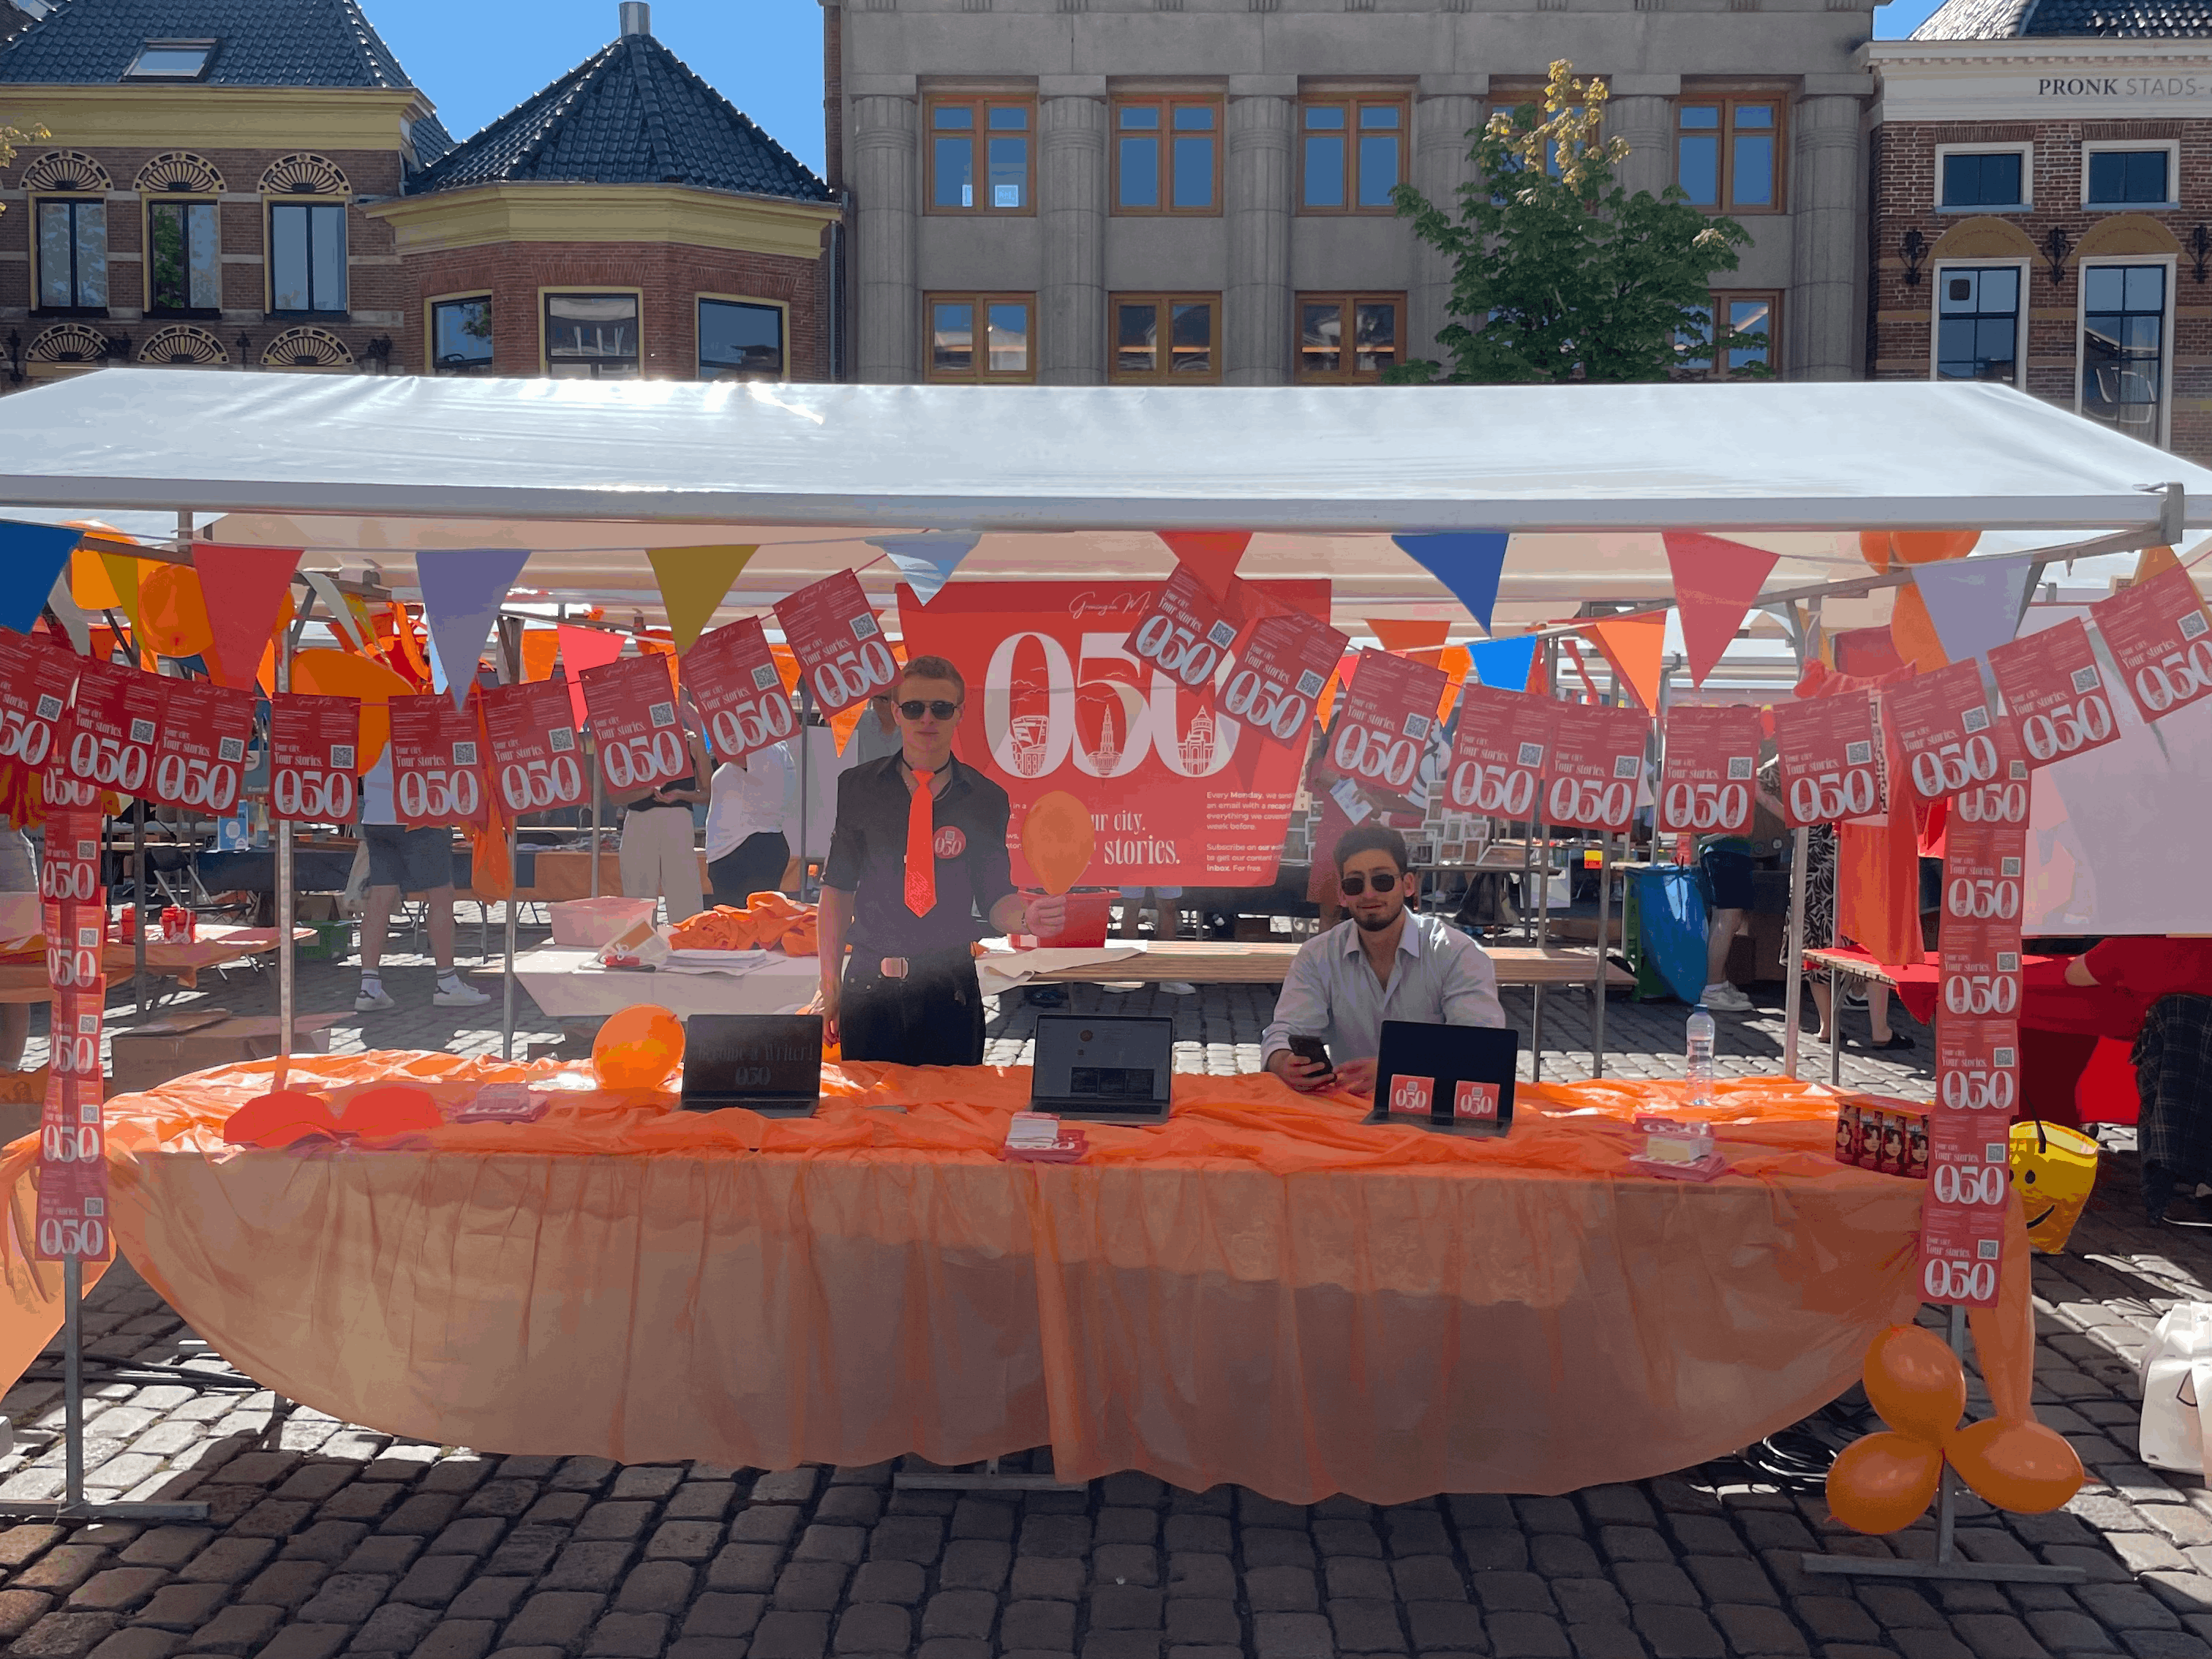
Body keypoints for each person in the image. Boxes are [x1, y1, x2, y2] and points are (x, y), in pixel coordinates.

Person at [819, 656, 1065, 1065]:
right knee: (871, 1105)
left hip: (950, 992)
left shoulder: (986, 798)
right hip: (869, 989)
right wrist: (829, 987)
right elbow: (838, 890)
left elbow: (995, 897)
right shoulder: (857, 788)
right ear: (896, 712)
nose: (927, 719)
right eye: (914, 707)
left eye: (941, 708)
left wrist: (1026, 918)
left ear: (959, 713)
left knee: (952, 1105)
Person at [1262, 823, 1506, 1096]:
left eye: (1382, 880)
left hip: (1433, 1108)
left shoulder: (1457, 952)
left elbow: (1483, 1046)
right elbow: (1286, 1030)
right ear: (1342, 894)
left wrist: (1398, 1066)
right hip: (1348, 1109)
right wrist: (1282, 1060)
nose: (1368, 893)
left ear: (1408, 884)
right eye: (1354, 884)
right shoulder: (1317, 955)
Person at [355, 748, 491, 1012]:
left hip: (377, 812)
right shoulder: (421, 718)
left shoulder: (369, 719)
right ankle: (447, 983)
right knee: (441, 894)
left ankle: (369, 986)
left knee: (381, 896)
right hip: (422, 810)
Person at [614, 712, 714, 925]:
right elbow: (616, 796)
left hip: (676, 819)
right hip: (639, 818)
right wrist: (648, 790)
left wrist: (679, 794)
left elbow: (707, 793)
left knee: (684, 892)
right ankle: (640, 942)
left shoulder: (692, 741)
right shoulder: (631, 742)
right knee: (637, 895)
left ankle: (687, 939)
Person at [705, 738, 798, 907]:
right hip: (747, 846)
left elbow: (733, 755)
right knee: (751, 918)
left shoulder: (763, 748)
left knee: (743, 920)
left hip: (744, 849)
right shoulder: (777, 749)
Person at [1697, 832, 1756, 1013]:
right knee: (1727, 920)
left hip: (1725, 849)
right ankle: (1713, 989)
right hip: (1726, 848)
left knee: (1724, 919)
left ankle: (1718, 984)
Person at [0, 821, 34, 1069]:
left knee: (17, 981)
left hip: (11, 862)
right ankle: (8, 1073)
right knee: (17, 982)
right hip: (12, 859)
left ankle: (8, 1074)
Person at [846, 693, 901, 767]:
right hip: (866, 773)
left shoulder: (910, 726)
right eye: (875, 698)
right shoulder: (862, 720)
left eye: (883, 699)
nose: (877, 702)